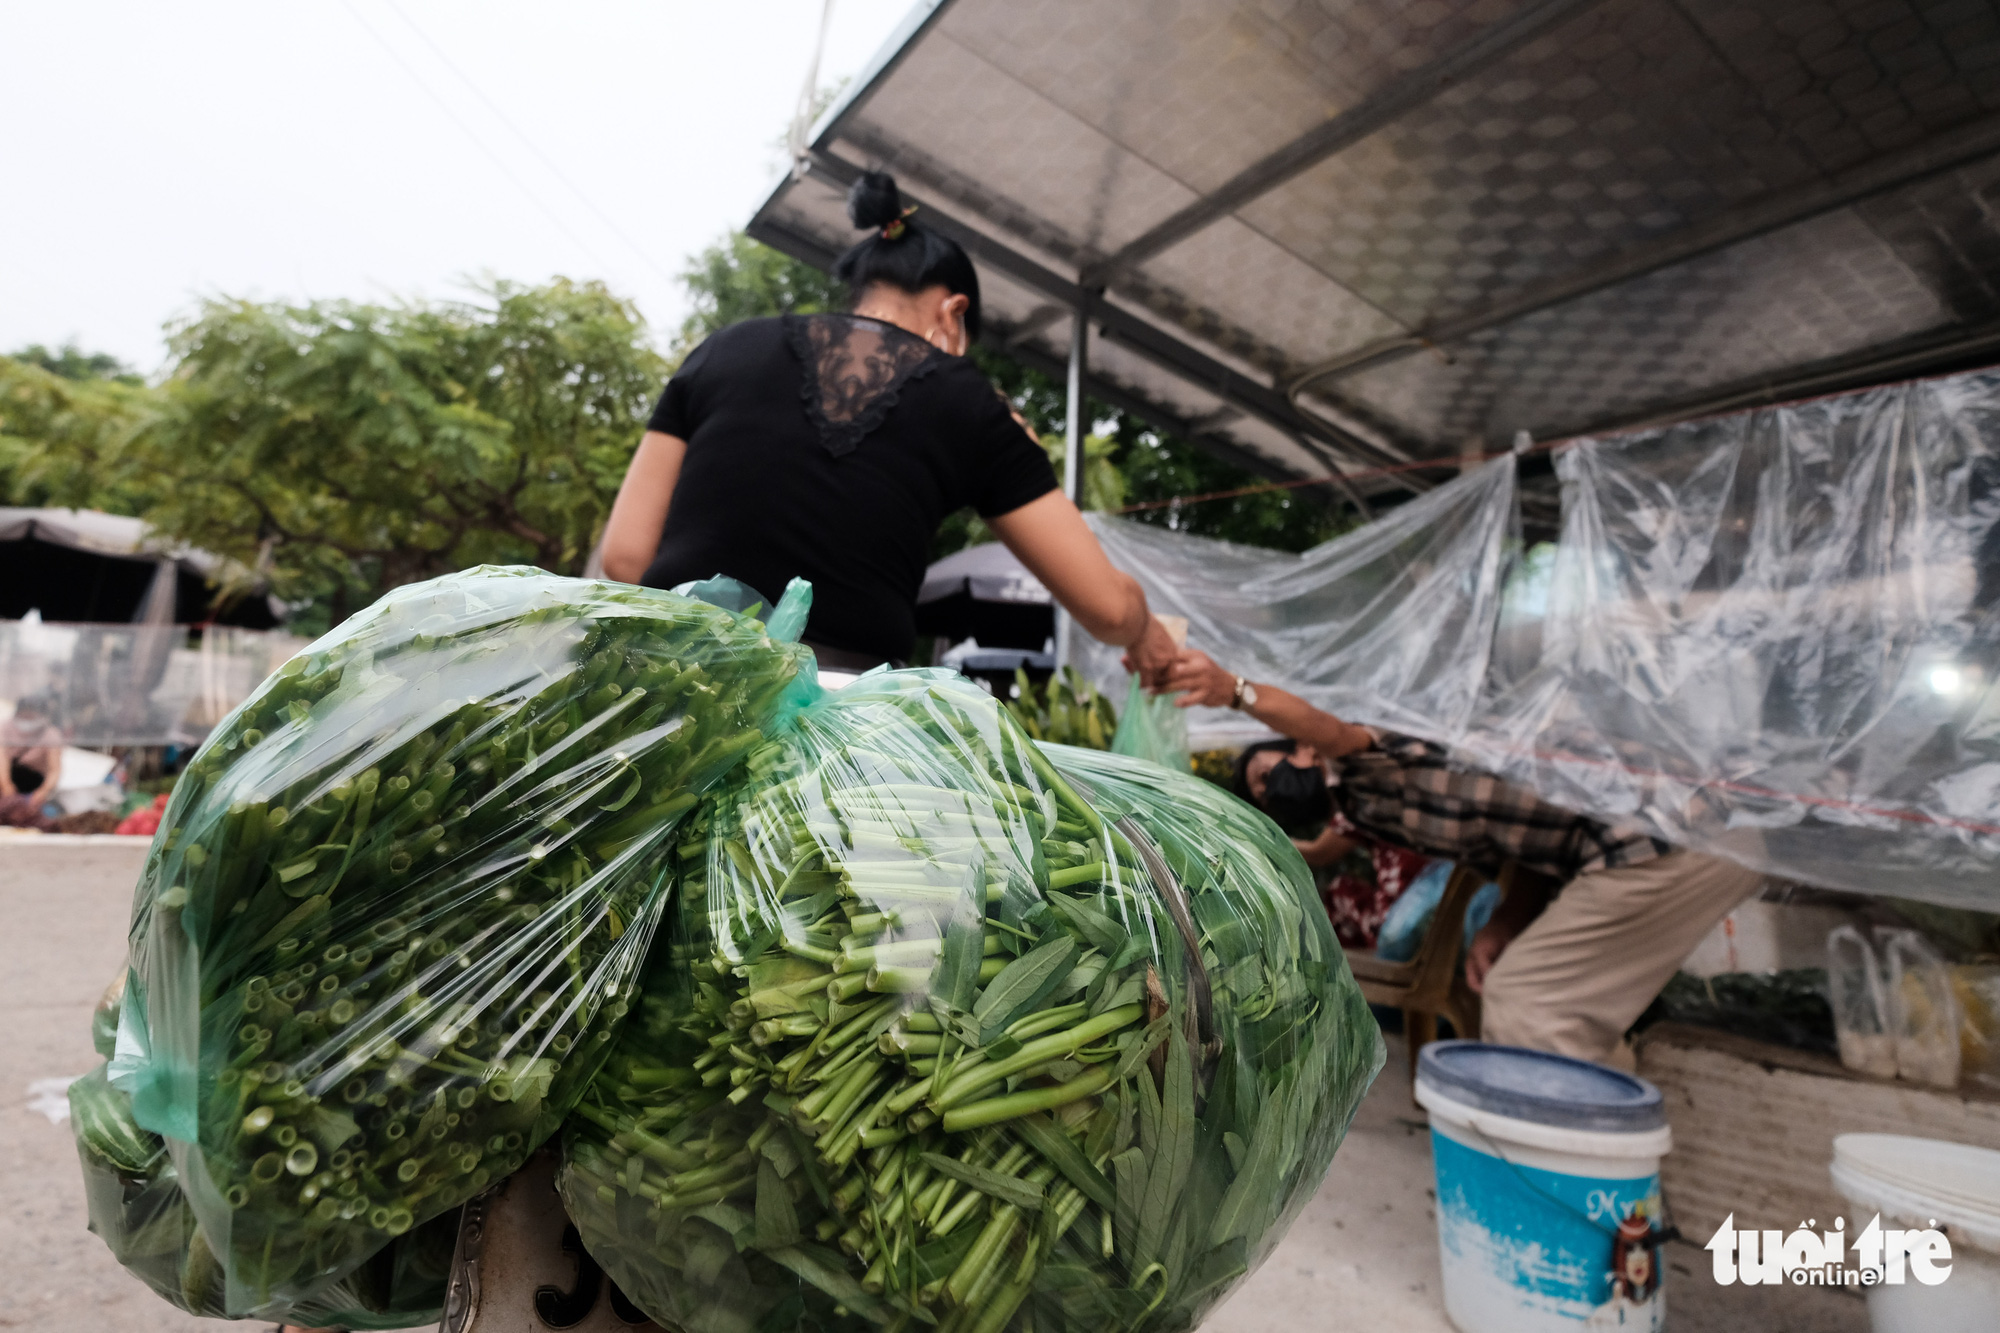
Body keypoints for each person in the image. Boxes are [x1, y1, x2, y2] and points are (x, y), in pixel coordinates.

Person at [598, 169, 1177, 682]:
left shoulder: (724, 348)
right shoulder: (972, 403)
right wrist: (1145, 631)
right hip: (836, 729)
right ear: (953, 314)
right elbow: (1106, 609)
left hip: (665, 685)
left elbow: (624, 559)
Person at [1162, 649, 1765, 1067]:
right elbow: (1528, 843)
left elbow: (1332, 730)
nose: (1273, 790)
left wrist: (1234, 692)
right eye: (1264, 796)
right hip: (1647, 847)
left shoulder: (1370, 744)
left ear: (1296, 747)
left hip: (1678, 833)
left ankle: (1576, 1191)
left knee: (1529, 1006)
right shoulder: (1367, 810)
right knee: (1544, 1004)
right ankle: (1599, 1167)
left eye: (1269, 773)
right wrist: (1505, 920)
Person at [0, 693, 63, 828]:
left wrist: (43, 792)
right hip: (8, 782)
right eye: (24, 716)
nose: (27, 720)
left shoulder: (51, 735)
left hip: (35, 783)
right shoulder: (5, 728)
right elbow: (2, 760)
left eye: (31, 716)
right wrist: (7, 787)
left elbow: (55, 769)